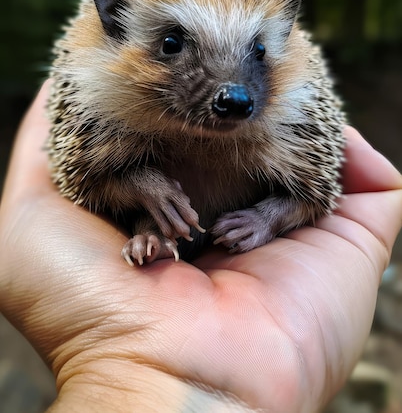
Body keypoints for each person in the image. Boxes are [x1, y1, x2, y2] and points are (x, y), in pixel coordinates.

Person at [0, 81, 401, 413]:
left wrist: (268, 218)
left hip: (242, 249)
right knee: (139, 208)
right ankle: (151, 237)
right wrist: (141, 187)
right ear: (115, 23)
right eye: (173, 46)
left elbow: (310, 195)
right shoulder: (106, 118)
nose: (234, 92)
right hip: (164, 241)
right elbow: (94, 181)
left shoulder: (290, 131)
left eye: (257, 52)